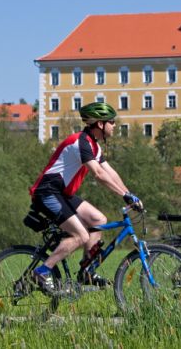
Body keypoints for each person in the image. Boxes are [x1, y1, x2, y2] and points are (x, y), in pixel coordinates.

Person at [29, 102, 142, 293]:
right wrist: (124, 195)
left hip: (62, 194)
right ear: (100, 124)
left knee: (98, 219)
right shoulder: (80, 142)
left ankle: (86, 271)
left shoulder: (94, 147)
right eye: (111, 122)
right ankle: (42, 270)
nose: (114, 126)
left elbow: (111, 173)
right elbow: (98, 174)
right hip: (47, 192)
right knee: (81, 235)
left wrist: (130, 194)